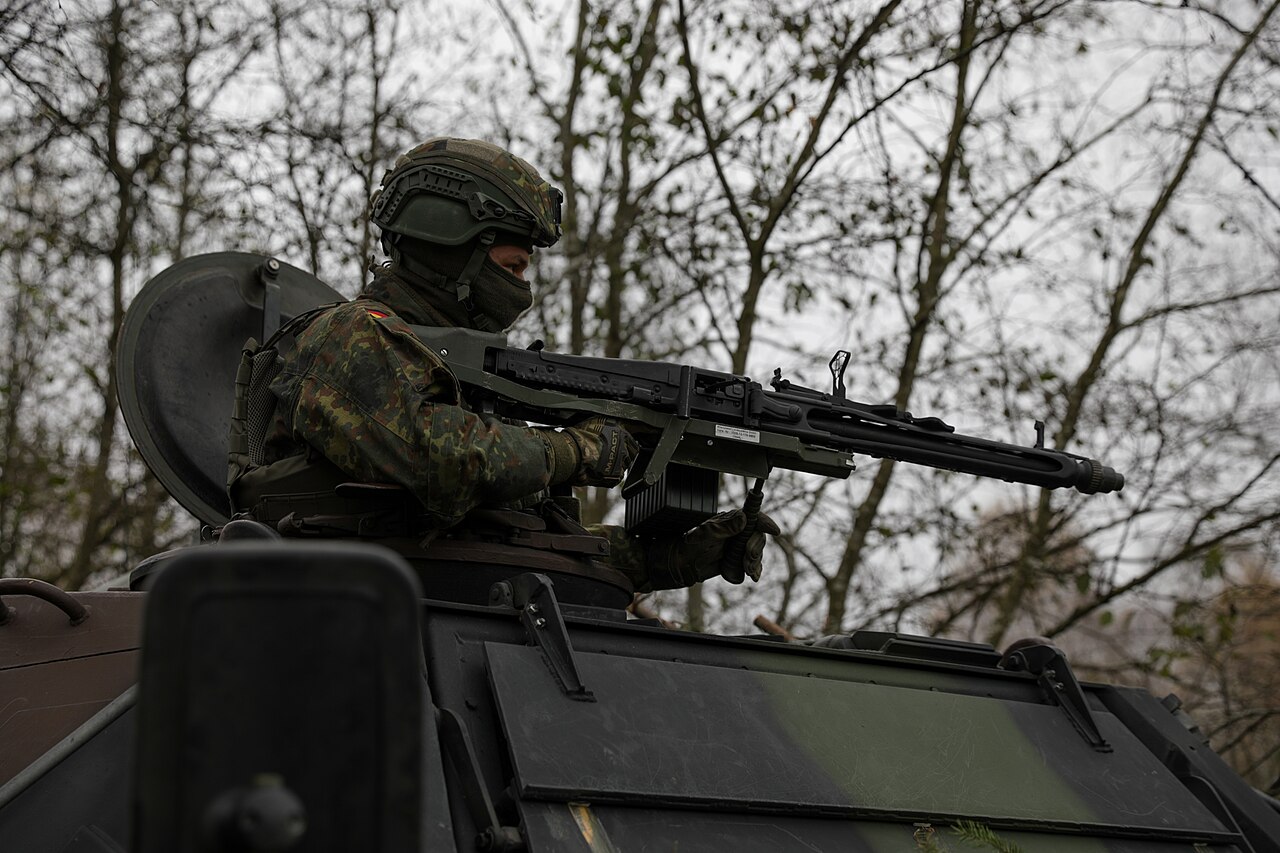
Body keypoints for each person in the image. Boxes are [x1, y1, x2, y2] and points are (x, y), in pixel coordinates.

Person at [228, 137, 777, 592]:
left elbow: (515, 546)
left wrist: (676, 559)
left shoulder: (462, 387)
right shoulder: (348, 336)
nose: (523, 291)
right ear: (450, 249)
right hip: (344, 619)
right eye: (512, 267)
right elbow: (440, 458)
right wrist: (579, 448)